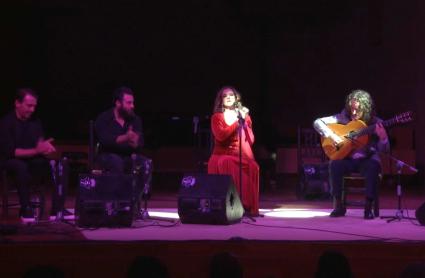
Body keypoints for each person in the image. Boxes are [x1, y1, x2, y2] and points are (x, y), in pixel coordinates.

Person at [313, 89, 389, 219]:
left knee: (373, 166)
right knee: (334, 164)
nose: (353, 113)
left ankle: (368, 205)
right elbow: (317, 122)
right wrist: (332, 136)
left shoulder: (375, 122)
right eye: (351, 109)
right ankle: (339, 205)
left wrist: (383, 138)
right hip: (347, 158)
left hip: (366, 159)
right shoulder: (342, 117)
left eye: (357, 110)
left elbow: (385, 150)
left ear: (366, 109)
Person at [0, 88, 56, 221]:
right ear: (17, 103)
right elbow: (12, 152)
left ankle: (56, 208)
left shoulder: (35, 122)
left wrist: (45, 148)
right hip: (9, 160)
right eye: (29, 106)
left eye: (34, 106)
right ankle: (25, 208)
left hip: (31, 158)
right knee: (20, 166)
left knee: (53, 164)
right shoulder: (6, 123)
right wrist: (37, 150)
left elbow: (39, 143)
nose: (32, 110)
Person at [94, 87, 153, 210]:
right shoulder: (104, 118)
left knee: (146, 163)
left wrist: (135, 143)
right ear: (118, 103)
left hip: (128, 156)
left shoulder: (135, 120)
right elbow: (105, 140)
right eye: (129, 103)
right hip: (107, 155)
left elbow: (139, 143)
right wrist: (126, 138)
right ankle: (117, 203)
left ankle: (133, 202)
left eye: (133, 102)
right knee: (116, 162)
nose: (132, 106)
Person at [207, 86, 260, 216]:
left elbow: (251, 140)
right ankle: (234, 205)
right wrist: (237, 121)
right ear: (221, 100)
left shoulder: (245, 116)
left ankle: (247, 207)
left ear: (236, 98)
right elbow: (221, 136)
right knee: (227, 162)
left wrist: (245, 122)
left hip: (239, 155)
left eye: (231, 95)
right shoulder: (217, 117)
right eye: (225, 96)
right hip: (221, 155)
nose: (229, 97)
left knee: (254, 166)